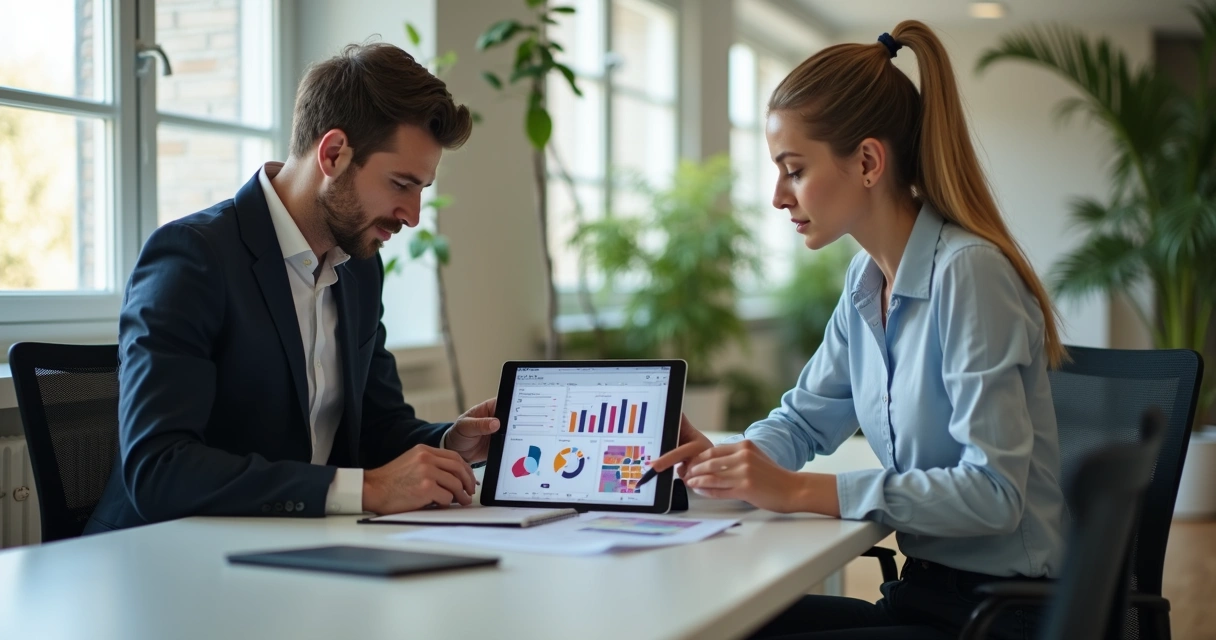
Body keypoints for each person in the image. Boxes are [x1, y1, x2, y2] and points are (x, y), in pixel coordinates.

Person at [651, 21, 1068, 640]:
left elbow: (993, 493)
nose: (777, 196)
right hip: (923, 594)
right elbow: (803, 419)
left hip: (1000, 616)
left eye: (793, 169)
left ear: (868, 161)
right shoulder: (865, 280)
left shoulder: (969, 274)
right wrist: (733, 462)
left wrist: (797, 491)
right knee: (710, 621)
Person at [86, 43, 497, 533]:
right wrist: (366, 490)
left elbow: (378, 428)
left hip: (292, 548)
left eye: (421, 190)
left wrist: (449, 444)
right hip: (163, 560)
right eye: (400, 184)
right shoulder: (193, 257)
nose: (412, 215)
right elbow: (159, 470)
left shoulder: (359, 270)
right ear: (334, 153)